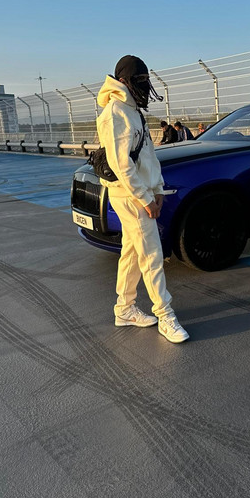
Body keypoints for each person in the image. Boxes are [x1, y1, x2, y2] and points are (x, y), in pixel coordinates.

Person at [96, 55, 189, 343]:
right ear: (123, 81)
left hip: (141, 193)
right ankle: (165, 314)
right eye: (140, 81)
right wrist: (145, 199)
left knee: (132, 253)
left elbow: (148, 155)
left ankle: (124, 309)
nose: (145, 86)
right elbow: (121, 164)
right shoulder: (115, 112)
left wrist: (157, 189)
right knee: (152, 255)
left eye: (146, 80)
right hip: (129, 196)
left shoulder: (133, 111)